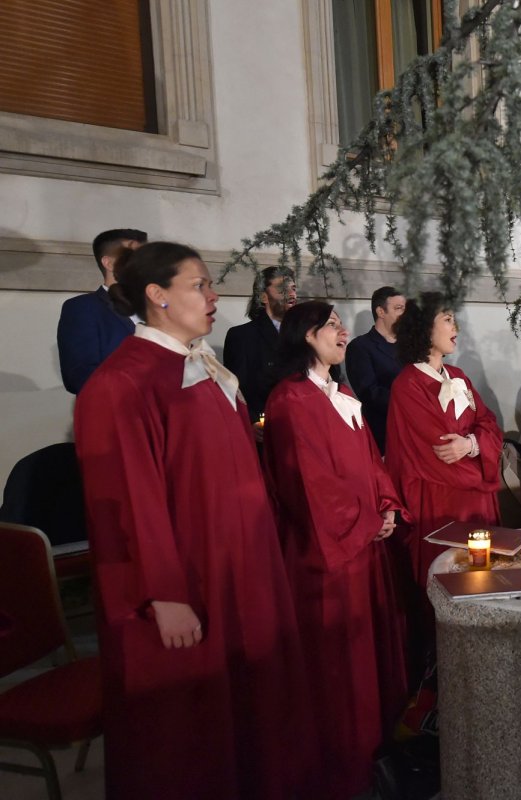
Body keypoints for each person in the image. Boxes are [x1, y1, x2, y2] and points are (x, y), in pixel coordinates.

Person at [74, 242, 312, 798]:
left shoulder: (199, 368)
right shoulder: (122, 382)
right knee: (187, 737)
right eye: (200, 285)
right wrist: (165, 594)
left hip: (236, 564)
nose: (214, 295)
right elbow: (130, 500)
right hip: (187, 579)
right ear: (157, 296)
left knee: (249, 712)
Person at [262, 301, 407, 799]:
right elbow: (307, 484)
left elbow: (370, 456)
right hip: (328, 556)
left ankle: (374, 744)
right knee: (338, 664)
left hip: (365, 543)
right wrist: (364, 521)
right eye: (331, 325)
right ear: (306, 335)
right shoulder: (290, 399)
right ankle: (342, 755)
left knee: (369, 655)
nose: (343, 331)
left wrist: (386, 504)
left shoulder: (340, 391)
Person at [386, 293, 502, 674]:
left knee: (484, 587)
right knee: (448, 588)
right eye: (448, 320)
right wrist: (481, 465)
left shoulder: (460, 377)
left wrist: (471, 444)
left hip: (474, 500)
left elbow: (489, 425)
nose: (457, 328)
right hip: (440, 504)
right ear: (425, 329)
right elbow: (435, 453)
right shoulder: (408, 385)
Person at [57, 228, 148, 394]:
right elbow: (78, 377)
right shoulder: (83, 308)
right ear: (109, 263)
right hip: (117, 412)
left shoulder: (158, 308)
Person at [223, 265, 297, 425]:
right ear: (264, 297)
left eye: (293, 288)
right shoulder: (242, 337)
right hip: (268, 428)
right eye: (283, 289)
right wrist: (251, 421)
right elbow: (236, 390)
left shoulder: (305, 334)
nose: (291, 294)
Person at [346, 286, 407, 453]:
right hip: (384, 431)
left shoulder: (409, 346)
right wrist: (409, 402)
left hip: (414, 427)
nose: (404, 314)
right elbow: (369, 392)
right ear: (381, 311)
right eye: (398, 308)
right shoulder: (360, 347)